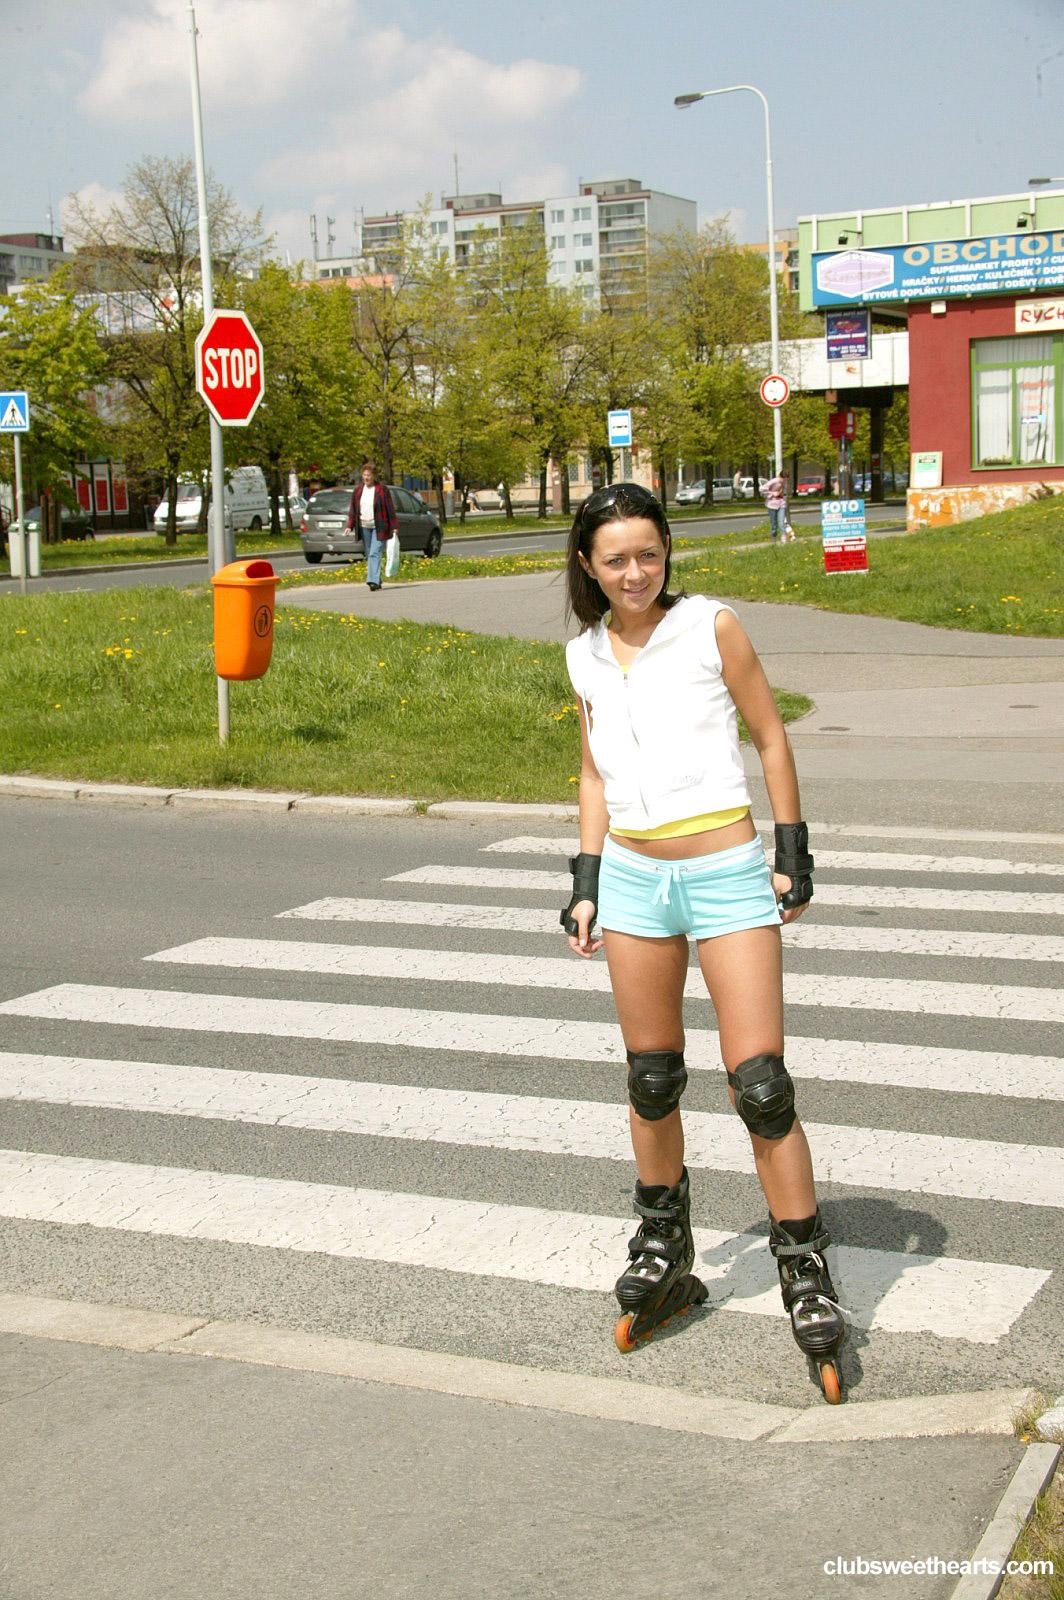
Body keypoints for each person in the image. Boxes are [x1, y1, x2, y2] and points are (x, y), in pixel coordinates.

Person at [560, 482, 846, 1403]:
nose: (635, 572)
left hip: (724, 870)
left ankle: (805, 1267)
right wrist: (587, 879)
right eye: (616, 559)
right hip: (634, 879)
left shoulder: (710, 627)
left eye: (649, 554)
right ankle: (664, 1243)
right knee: (651, 1076)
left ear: (666, 553)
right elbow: (595, 772)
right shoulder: (583, 655)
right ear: (588, 565)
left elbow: (770, 735)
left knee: (761, 1086)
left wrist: (792, 852)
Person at [346, 460, 398, 591]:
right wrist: (349, 526)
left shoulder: (382, 490)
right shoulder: (358, 490)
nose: (366, 477)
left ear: (374, 476)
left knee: (374, 553)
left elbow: (390, 508)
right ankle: (377, 579)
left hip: (379, 527)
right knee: (369, 553)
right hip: (364, 526)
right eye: (364, 475)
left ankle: (372, 581)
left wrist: (394, 526)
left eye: (368, 475)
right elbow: (353, 509)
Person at [762, 472, 790, 541]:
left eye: (786, 479)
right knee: (774, 523)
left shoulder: (784, 483)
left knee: (782, 522)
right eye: (784, 479)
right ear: (781, 477)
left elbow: (785, 492)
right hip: (772, 504)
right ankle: (774, 537)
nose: (785, 481)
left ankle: (784, 536)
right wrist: (772, 493)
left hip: (781, 504)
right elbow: (762, 489)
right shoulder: (774, 481)